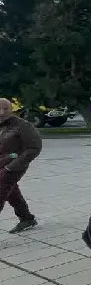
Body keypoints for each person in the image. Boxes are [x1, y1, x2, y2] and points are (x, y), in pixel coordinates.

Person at [0, 98, 42, 233]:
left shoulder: (22, 125)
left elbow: (34, 147)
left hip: (13, 166)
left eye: (5, 109)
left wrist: (12, 165)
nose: (1, 112)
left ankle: (26, 219)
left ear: (11, 109)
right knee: (12, 192)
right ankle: (27, 219)